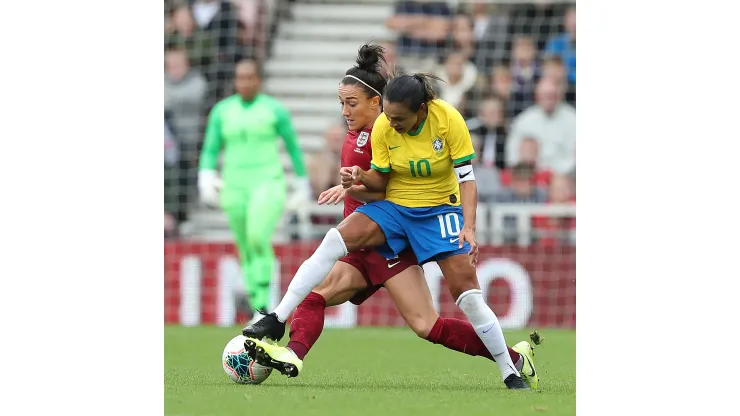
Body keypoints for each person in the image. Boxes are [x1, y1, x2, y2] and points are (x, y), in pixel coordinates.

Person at [242, 44, 540, 390]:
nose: (345, 112)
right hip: (388, 219)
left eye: (351, 103)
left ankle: (512, 363)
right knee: (323, 268)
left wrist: (468, 226)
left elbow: (464, 177)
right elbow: (380, 181)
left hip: (429, 218)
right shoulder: (377, 128)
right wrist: (357, 180)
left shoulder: (443, 120)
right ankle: (282, 330)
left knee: (435, 319)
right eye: (341, 104)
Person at [198, 58, 311, 324]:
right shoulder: (221, 111)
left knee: (257, 236)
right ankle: (257, 304)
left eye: (250, 77)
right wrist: (205, 174)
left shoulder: (274, 110)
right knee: (245, 246)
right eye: (241, 77)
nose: (245, 82)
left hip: (268, 181)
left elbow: (293, 146)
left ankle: (263, 303)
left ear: (258, 80)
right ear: (235, 81)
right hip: (234, 185)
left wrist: (302, 181)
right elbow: (211, 147)